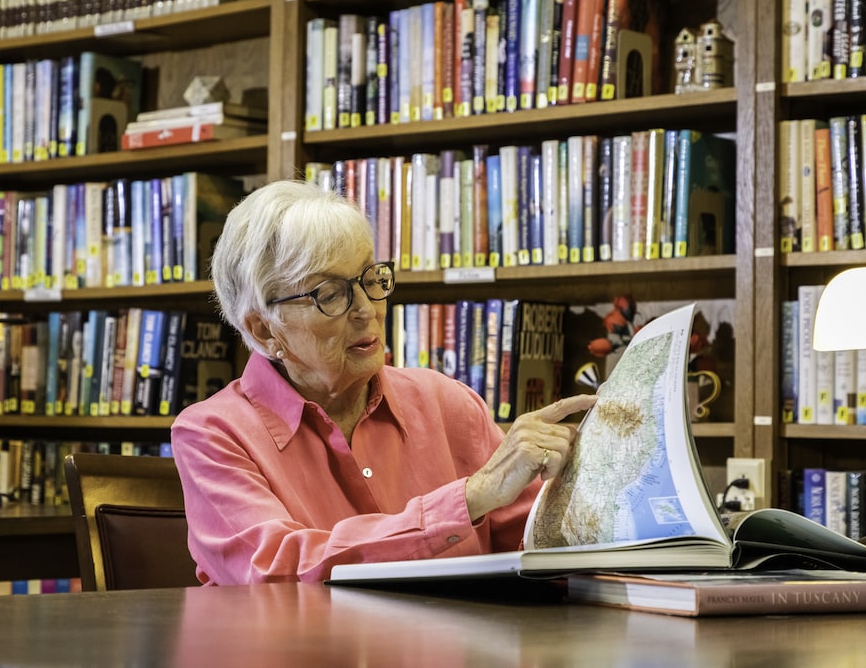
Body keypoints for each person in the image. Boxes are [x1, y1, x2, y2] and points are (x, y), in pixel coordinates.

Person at [170, 179, 596, 585]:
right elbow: (274, 573)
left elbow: (537, 553)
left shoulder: (448, 403)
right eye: (331, 293)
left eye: (370, 279)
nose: (366, 310)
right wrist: (467, 500)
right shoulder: (212, 434)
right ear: (265, 330)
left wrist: (587, 493)